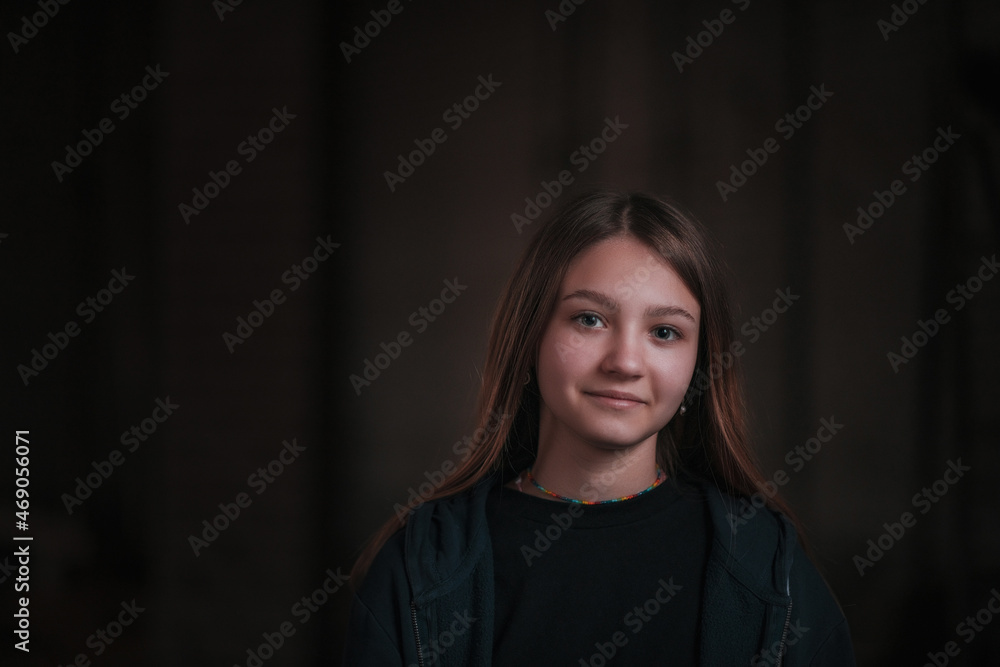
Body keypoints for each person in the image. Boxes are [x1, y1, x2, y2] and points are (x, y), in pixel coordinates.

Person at [342, 190, 855, 665]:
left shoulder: (766, 565)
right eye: (589, 319)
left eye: (665, 331)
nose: (625, 362)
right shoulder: (424, 567)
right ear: (529, 338)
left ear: (700, 365)